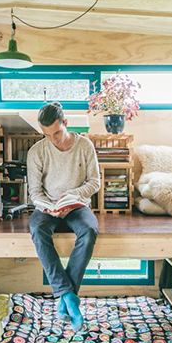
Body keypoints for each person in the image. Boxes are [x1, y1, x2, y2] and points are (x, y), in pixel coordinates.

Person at [27, 102, 100, 331]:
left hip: (76, 206)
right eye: (47, 134)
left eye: (57, 132)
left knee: (89, 231)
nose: (53, 139)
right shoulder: (37, 151)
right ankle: (69, 297)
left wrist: (73, 195)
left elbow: (94, 182)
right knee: (37, 229)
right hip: (48, 206)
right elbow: (35, 193)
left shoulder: (85, 145)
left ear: (66, 124)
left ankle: (65, 297)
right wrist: (47, 206)